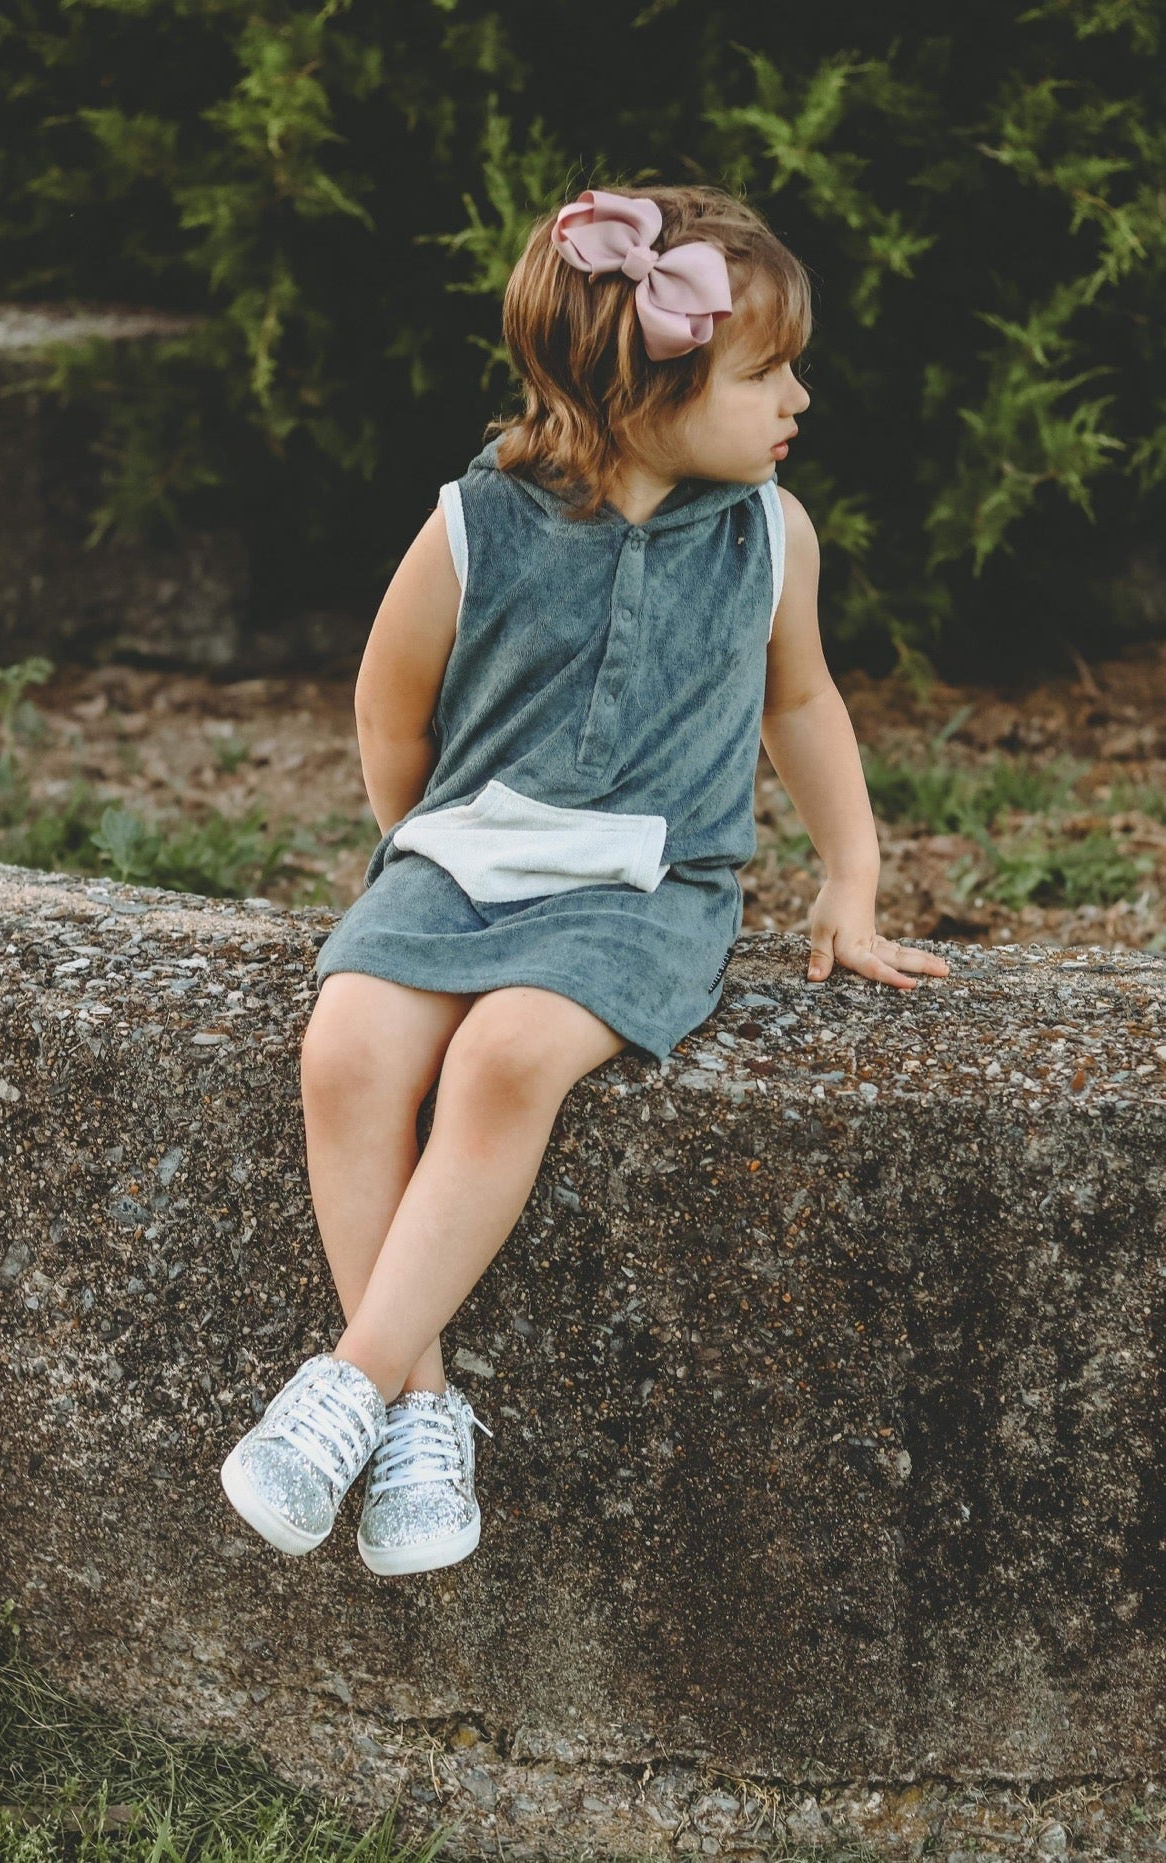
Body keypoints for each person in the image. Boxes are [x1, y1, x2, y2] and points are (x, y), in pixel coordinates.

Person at [220, 182, 950, 1576]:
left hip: (644, 888)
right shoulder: (473, 524)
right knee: (350, 1046)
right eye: (765, 370)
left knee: (503, 1057)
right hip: (463, 853)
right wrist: (417, 856)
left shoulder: (767, 538)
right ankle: (420, 1410)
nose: (797, 396)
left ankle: (345, 1385)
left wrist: (845, 880)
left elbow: (802, 706)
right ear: (643, 384)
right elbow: (391, 704)